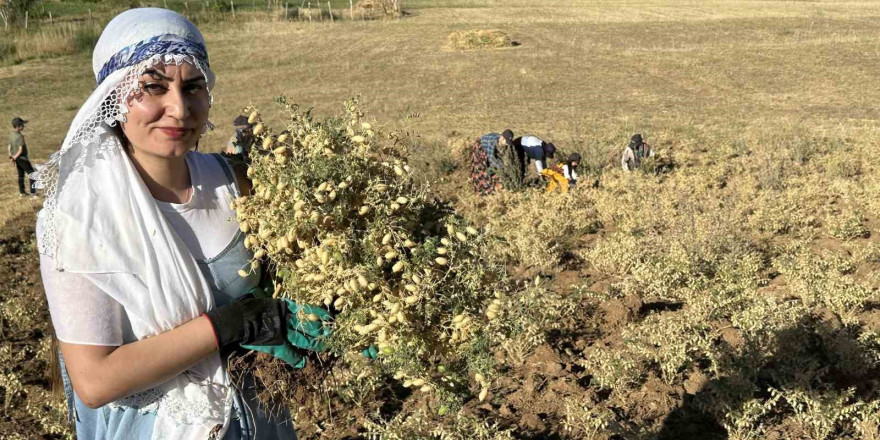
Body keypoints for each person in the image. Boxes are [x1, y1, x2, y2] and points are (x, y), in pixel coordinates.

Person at [33, 9, 325, 440]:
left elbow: (295, 281)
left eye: (193, 87)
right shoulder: (79, 218)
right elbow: (95, 382)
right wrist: (231, 324)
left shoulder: (236, 182)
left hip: (260, 419)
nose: (179, 108)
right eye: (153, 86)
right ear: (114, 98)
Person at [8, 117, 36, 197]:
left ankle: (22, 192)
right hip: (22, 158)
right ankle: (33, 193)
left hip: (16, 158)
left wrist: (11, 156)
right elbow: (20, 150)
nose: (23, 126)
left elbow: (9, 146)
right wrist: (14, 158)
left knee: (21, 175)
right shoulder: (20, 137)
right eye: (22, 125)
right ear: (17, 126)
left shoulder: (11, 134)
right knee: (32, 174)